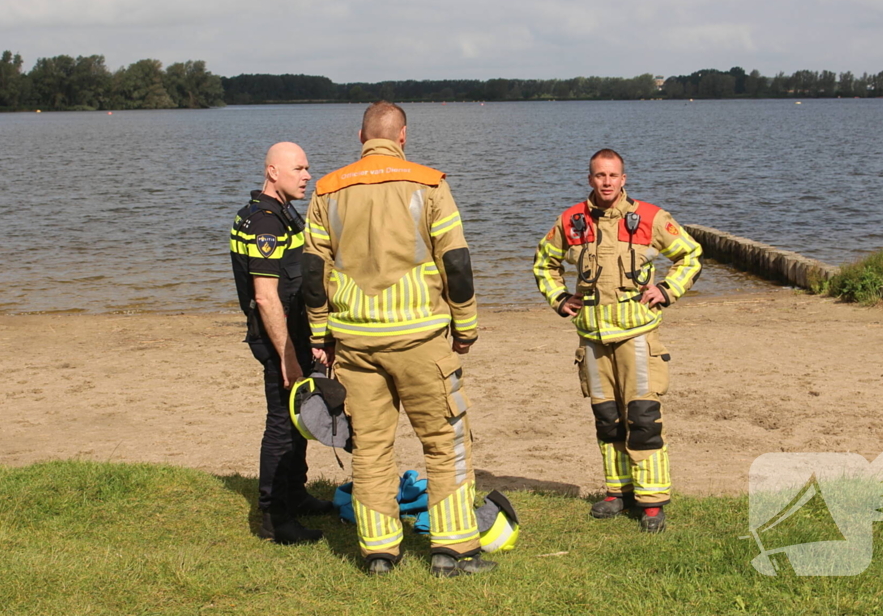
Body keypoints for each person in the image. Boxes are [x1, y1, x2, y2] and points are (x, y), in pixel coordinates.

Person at [303, 101, 494, 577]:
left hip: (355, 341)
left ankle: (379, 554)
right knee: (444, 439)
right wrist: (465, 326)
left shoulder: (328, 190)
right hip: (420, 339)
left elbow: (312, 272)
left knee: (370, 447)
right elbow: (457, 263)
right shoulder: (429, 183)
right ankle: (454, 551)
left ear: (360, 136)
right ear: (403, 136)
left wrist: (320, 331)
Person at [533, 148, 702, 532]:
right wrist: (560, 299)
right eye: (599, 175)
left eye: (612, 175)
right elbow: (544, 263)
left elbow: (690, 256)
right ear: (589, 179)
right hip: (592, 337)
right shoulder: (571, 220)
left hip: (638, 335)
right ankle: (617, 492)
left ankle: (652, 501)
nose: (606, 182)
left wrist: (666, 290)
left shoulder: (650, 217)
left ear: (623, 179)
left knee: (642, 418)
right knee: (607, 420)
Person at [229, 142, 332, 545]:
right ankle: (275, 519)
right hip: (279, 341)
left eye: (308, 167)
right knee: (281, 428)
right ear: (273, 172)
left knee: (297, 418)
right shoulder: (265, 223)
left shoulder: (281, 214)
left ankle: (295, 495)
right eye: (299, 169)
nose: (307, 175)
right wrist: (288, 356)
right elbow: (266, 296)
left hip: (296, 335)